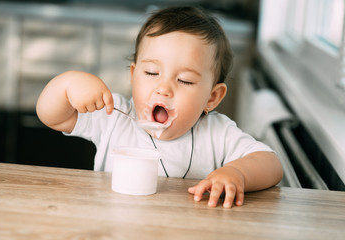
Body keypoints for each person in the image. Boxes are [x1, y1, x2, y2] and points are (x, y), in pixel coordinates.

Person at [36, 6, 283, 208]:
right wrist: (67, 84)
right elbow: (51, 117)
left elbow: (272, 164)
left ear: (212, 97)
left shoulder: (217, 133)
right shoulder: (115, 116)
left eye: (184, 80)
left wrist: (236, 173)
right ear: (133, 76)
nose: (163, 88)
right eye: (152, 72)